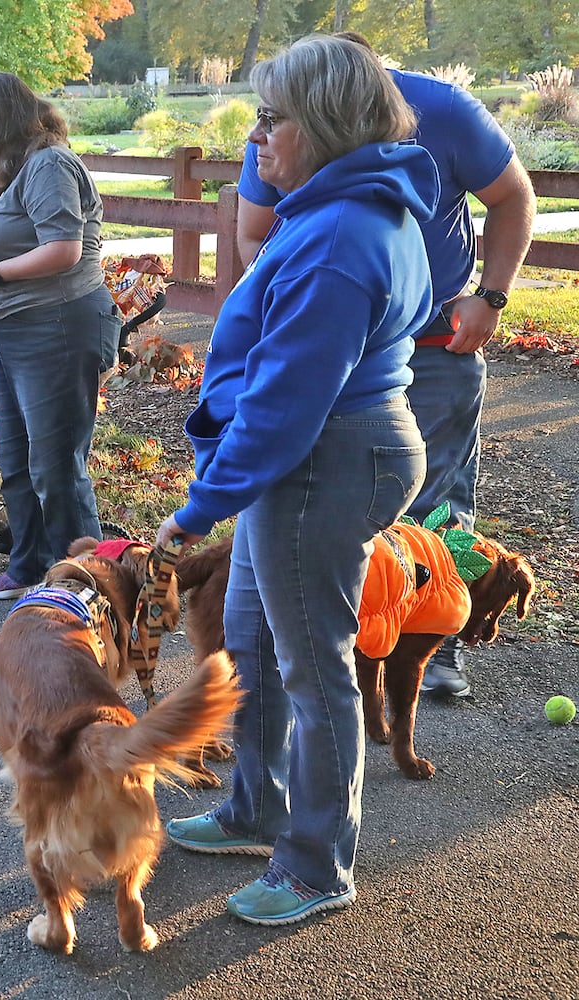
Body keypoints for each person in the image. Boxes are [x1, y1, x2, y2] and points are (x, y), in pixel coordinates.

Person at [157, 36, 438, 926]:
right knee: (248, 630)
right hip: (322, 453)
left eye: (271, 120)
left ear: (321, 127)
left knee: (314, 669)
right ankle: (256, 806)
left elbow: (285, 406)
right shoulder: (347, 212)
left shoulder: (339, 238)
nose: (257, 140)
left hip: (323, 459)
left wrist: (202, 505)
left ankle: (316, 865)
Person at [235, 31, 536, 698]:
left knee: (431, 510)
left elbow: (513, 196)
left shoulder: (444, 110)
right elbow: (254, 233)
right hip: (331, 349)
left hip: (434, 349)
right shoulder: (281, 124)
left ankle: (433, 640)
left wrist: (490, 297)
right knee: (324, 507)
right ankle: (344, 645)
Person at [0, 73, 119, 598]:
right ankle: (28, 569)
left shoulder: (51, 165)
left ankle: (85, 584)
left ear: (5, 117)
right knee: (17, 458)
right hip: (17, 333)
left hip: (56, 329)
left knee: (56, 463)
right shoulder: (19, 168)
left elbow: (62, 250)